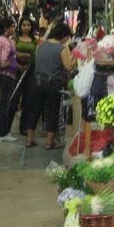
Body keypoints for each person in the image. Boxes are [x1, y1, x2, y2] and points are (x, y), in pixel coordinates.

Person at [25, 22, 76, 150]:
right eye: (67, 37)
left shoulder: (40, 46)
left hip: (37, 81)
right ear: (63, 36)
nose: (67, 40)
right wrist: (76, 56)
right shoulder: (62, 49)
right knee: (52, 111)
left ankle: (29, 140)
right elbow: (69, 67)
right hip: (53, 83)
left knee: (34, 111)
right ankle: (49, 142)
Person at [0, 17, 19, 142]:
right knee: (4, 103)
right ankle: (2, 133)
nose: (14, 29)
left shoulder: (8, 40)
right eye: (12, 26)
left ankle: (0, 131)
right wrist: (0, 63)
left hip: (10, 74)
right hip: (4, 75)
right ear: (6, 28)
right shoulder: (0, 39)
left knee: (4, 103)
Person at [8, 17, 37, 136]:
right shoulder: (15, 38)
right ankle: (6, 129)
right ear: (20, 26)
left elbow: (35, 54)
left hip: (30, 70)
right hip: (16, 69)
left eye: (28, 25)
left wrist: (26, 60)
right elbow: (13, 53)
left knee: (28, 100)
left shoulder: (34, 40)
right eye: (24, 25)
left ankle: (24, 127)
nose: (26, 27)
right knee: (13, 98)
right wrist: (22, 60)